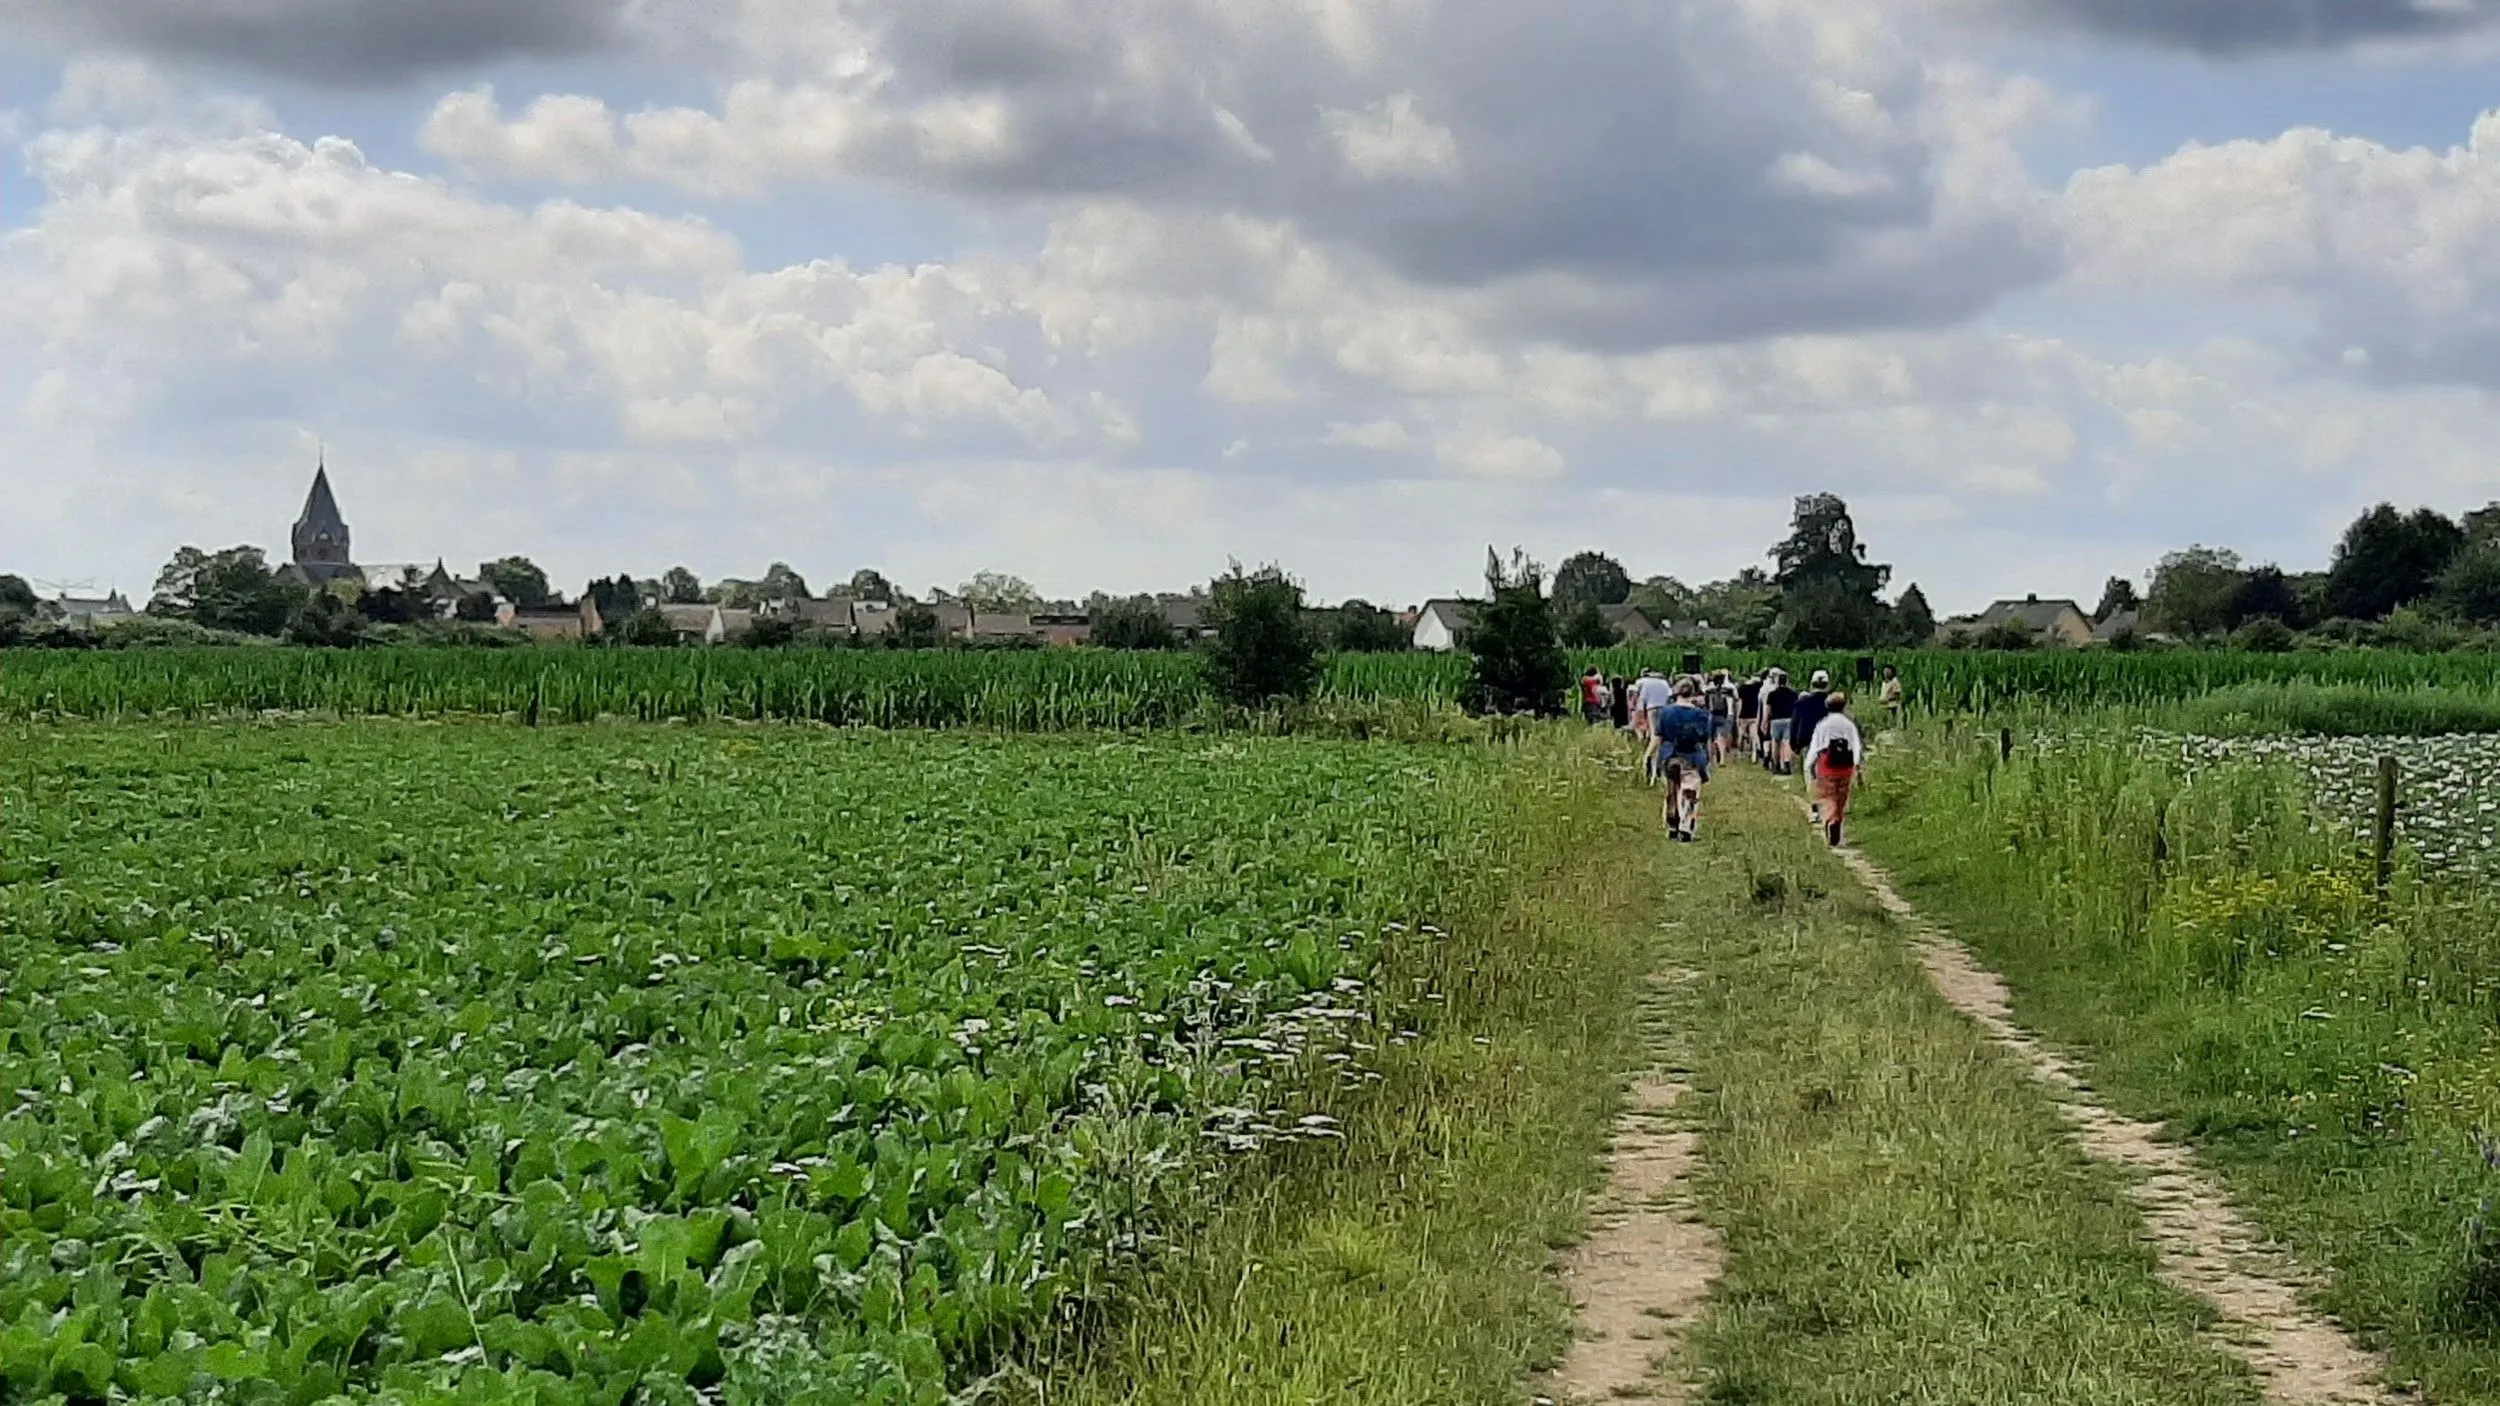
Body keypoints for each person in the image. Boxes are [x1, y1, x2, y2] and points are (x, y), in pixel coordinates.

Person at [1654, 678, 1716, 840]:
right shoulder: (1701, 715)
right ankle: (1685, 826)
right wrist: (1709, 759)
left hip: (1669, 754)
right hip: (1691, 755)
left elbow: (1659, 736)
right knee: (1689, 791)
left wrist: (1655, 757)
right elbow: (1705, 738)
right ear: (1693, 693)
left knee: (1672, 791)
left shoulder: (1665, 712)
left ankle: (1672, 823)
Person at [1803, 691, 1866, 846]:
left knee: (1828, 795)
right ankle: (1837, 818)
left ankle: (1831, 820)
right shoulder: (1849, 724)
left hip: (1827, 764)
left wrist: (1809, 764)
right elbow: (1856, 745)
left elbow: (1816, 747)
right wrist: (1857, 764)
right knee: (1841, 796)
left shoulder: (1822, 724)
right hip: (1845, 765)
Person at [1789, 670, 1832, 779]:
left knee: (1809, 771)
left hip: (1807, 741)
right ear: (1828, 685)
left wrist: (1794, 744)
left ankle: (1811, 792)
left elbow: (1794, 724)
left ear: (1812, 684)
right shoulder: (1833, 703)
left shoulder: (1802, 703)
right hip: (1829, 743)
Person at [1762, 668, 1798, 772]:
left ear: (1777, 681)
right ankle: (1786, 764)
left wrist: (1765, 721)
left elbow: (1768, 709)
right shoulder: (1793, 694)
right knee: (1787, 742)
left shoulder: (1772, 694)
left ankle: (1775, 764)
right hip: (1789, 720)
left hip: (1775, 720)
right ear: (1787, 681)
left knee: (1775, 742)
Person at [1704, 669, 1737, 761]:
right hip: (1724, 714)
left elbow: (1705, 702)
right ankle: (1722, 758)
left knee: (1709, 737)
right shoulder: (1729, 689)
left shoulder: (1709, 690)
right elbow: (1736, 698)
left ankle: (1710, 756)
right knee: (1721, 736)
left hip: (1711, 715)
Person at [1736, 672, 1763, 758]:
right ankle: (1754, 752)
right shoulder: (1757, 687)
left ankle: (1740, 752)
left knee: (1741, 733)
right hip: (1754, 713)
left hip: (1744, 713)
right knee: (1754, 734)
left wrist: (1738, 716)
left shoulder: (1742, 688)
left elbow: (1740, 702)